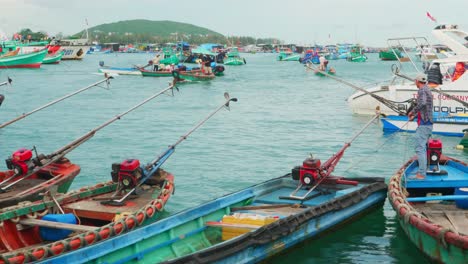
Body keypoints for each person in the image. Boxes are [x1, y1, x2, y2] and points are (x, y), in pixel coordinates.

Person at [408, 73, 433, 180]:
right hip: (428, 123)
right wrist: (415, 116)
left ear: (417, 81)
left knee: (420, 148)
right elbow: (425, 108)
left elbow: (422, 103)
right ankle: (423, 170)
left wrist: (412, 112)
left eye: (415, 81)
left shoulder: (422, 90)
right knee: (424, 148)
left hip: (424, 124)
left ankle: (422, 174)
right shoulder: (427, 90)